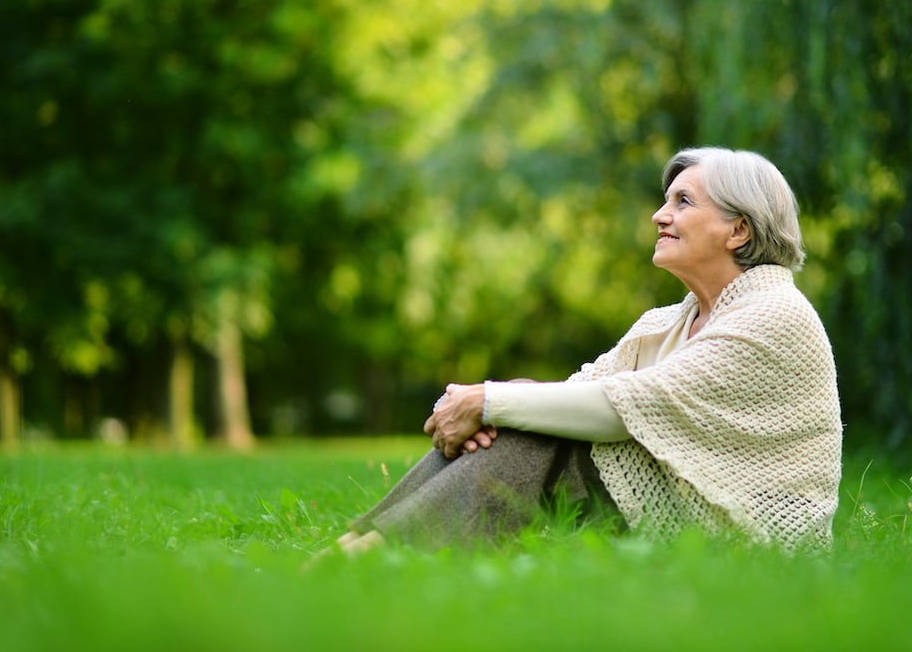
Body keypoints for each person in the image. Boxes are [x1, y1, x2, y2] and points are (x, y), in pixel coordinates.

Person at [333, 146, 842, 555]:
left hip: (747, 536)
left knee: (530, 422)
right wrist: (495, 403)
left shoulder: (774, 314)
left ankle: (374, 552)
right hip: (674, 509)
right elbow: (575, 395)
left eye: (683, 202)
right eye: (666, 200)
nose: (659, 214)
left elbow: (621, 410)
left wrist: (486, 401)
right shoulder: (666, 323)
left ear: (739, 229)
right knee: (528, 408)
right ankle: (365, 543)